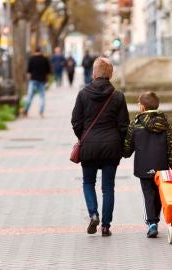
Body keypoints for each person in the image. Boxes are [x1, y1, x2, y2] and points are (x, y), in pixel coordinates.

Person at [71, 57, 129, 236]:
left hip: (89, 147)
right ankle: (105, 226)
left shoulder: (83, 94)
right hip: (111, 147)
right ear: (110, 75)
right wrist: (120, 144)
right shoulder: (118, 96)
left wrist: (83, 136)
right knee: (108, 187)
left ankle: (93, 213)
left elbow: (75, 121)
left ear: (94, 73)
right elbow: (124, 125)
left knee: (88, 182)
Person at [123, 91, 172, 238]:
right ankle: (156, 219)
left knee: (148, 194)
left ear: (142, 107)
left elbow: (128, 146)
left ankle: (152, 223)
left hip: (143, 166)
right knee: (159, 194)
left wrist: (124, 153)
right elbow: (170, 146)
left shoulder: (135, 123)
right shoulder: (164, 123)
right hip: (161, 166)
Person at [23, 47, 51, 117]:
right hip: (42, 80)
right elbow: (48, 72)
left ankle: (26, 110)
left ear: (34, 51)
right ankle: (41, 111)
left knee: (30, 96)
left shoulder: (32, 59)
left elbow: (28, 72)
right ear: (40, 51)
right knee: (42, 96)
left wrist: (28, 79)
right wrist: (47, 81)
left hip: (33, 80)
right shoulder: (45, 59)